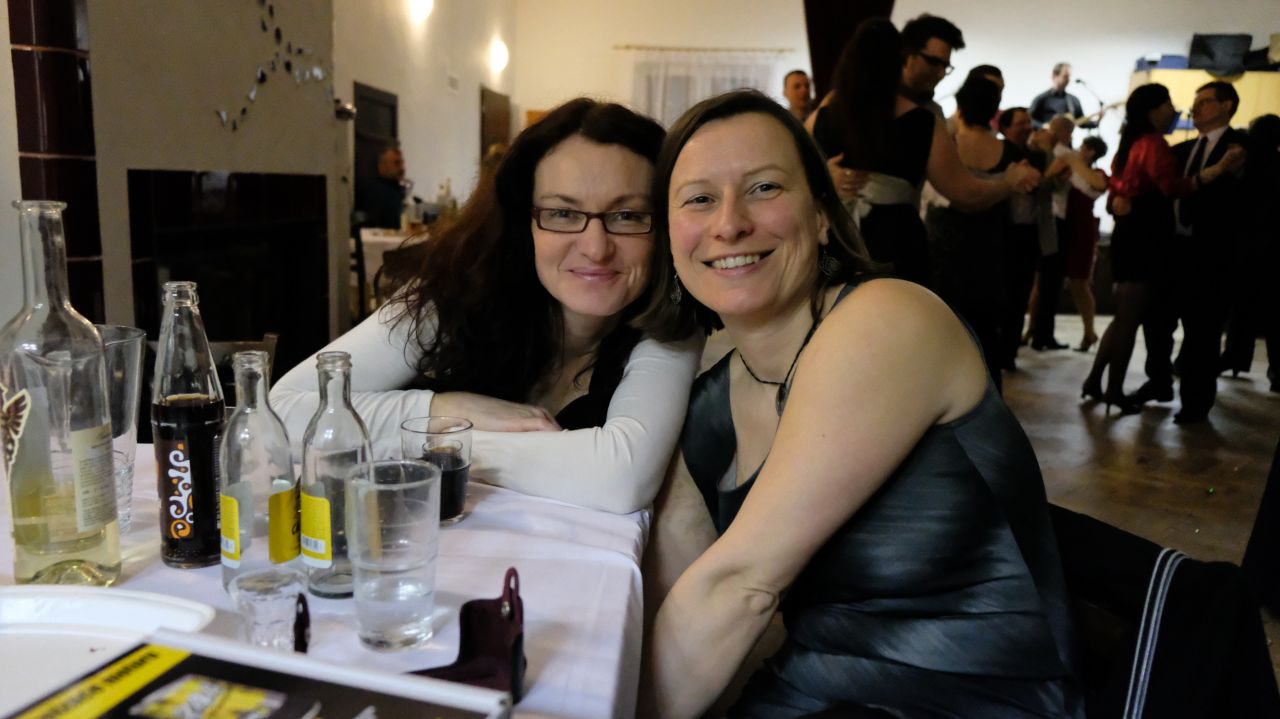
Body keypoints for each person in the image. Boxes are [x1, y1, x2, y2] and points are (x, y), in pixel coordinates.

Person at [638, 90, 1082, 718]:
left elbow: (739, 587)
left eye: (764, 188)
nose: (729, 223)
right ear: (668, 236)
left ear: (823, 216)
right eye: (699, 199)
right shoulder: (716, 398)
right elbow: (671, 580)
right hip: (816, 690)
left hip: (969, 701)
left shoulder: (887, 320)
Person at [271, 99, 701, 514]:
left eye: (627, 216)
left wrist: (449, 439)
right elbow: (281, 412)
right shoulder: (456, 291)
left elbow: (620, 477)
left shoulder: (671, 321)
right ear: (523, 222)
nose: (595, 247)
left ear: (663, 227)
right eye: (562, 214)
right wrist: (443, 409)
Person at [811, 18, 1037, 285]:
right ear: (904, 58)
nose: (940, 73)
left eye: (945, 66)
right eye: (933, 62)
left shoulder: (830, 110)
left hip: (836, 246)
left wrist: (821, 178)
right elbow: (965, 194)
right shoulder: (922, 121)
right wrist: (1008, 181)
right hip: (891, 245)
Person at [1081, 84, 1243, 414]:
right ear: (1154, 110)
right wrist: (1216, 170)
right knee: (1133, 318)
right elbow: (1173, 187)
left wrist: (1118, 204)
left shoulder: (1133, 142)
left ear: (1227, 105)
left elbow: (1119, 189)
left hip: (1144, 238)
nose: (1183, 109)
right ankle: (1114, 390)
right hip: (1146, 240)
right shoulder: (1156, 144)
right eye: (1170, 103)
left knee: (1129, 317)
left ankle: (1098, 381)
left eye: (1203, 102)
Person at [1134, 82, 1249, 424]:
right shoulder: (1180, 150)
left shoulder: (1243, 148)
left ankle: (1196, 403)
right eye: (1195, 103)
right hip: (1172, 249)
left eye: (1205, 102)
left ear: (1227, 105)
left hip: (1212, 253)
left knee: (1202, 330)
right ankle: (1159, 380)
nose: (1195, 109)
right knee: (1156, 320)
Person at [924, 77, 1015, 389]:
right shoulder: (1008, 151)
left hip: (943, 247)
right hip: (990, 249)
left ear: (959, 107)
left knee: (942, 336)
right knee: (986, 339)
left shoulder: (944, 145)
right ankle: (990, 406)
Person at [1221, 114, 1280, 391]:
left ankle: (1235, 356)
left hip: (1245, 245)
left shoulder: (1246, 164)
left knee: (1241, 307)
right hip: (1273, 248)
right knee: (1274, 312)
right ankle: (1277, 371)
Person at [997, 106, 1043, 370]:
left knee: (1021, 292)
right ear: (1006, 128)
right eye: (1021, 123)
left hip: (1027, 232)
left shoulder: (1035, 155)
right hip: (1003, 232)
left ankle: (1009, 351)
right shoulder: (998, 152)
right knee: (1003, 292)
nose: (1028, 127)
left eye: (1029, 122)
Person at [1061, 135, 1109, 352]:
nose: (1079, 150)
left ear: (1090, 151)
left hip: (1081, 230)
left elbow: (1096, 186)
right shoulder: (1073, 168)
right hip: (1067, 228)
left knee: (1079, 282)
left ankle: (1089, 331)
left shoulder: (1096, 174)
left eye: (1083, 147)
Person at [355, 145, 409, 230]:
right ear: (382, 167)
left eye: (402, 163)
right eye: (397, 163)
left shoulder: (397, 191)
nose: (402, 168)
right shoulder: (377, 193)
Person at [1030, 63, 1088, 127]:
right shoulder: (1041, 98)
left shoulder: (1073, 100)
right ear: (1054, 76)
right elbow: (1029, 120)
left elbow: (1082, 123)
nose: (1068, 80)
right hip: (1047, 133)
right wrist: (1043, 126)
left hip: (1067, 133)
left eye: (1069, 76)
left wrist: (1095, 121)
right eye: (1065, 76)